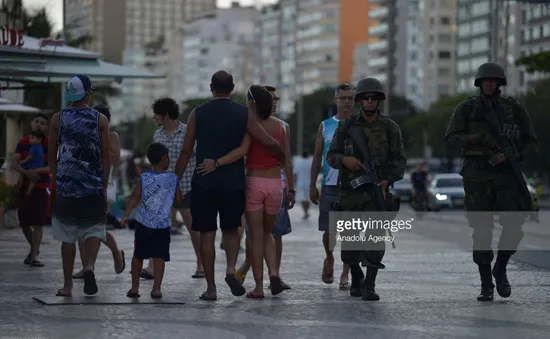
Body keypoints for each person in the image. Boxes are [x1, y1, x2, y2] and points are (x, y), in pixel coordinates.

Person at [175, 70, 285, 301]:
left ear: (210, 87)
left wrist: (174, 179)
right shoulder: (244, 114)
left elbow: (186, 151)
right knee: (230, 229)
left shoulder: (197, 113)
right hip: (233, 183)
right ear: (232, 88)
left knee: (206, 233)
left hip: (203, 181)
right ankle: (230, 267)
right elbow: (266, 140)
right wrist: (280, 155)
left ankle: (211, 288)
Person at [444, 62, 538, 302]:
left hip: (507, 175)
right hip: (477, 175)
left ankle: (501, 269)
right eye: (485, 80)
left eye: (493, 80)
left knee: (514, 227)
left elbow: (531, 142)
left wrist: (512, 156)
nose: (489, 84)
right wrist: (477, 140)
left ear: (499, 84)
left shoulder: (513, 110)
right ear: (479, 83)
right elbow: (452, 139)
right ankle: (486, 283)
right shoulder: (467, 109)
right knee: (482, 230)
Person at [327, 77, 406, 301]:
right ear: (360, 100)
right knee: (351, 240)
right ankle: (356, 275)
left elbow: (399, 160)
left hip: (377, 192)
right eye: (366, 98)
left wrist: (387, 179)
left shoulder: (390, 127)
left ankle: (370, 284)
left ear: (379, 100)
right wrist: (346, 161)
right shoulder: (347, 125)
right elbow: (331, 156)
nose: (370, 102)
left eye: (374, 98)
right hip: (351, 192)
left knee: (375, 238)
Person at [49, 74, 111, 297]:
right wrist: (103, 183)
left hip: (66, 184)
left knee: (67, 236)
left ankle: (67, 286)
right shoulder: (100, 120)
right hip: (92, 184)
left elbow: (51, 153)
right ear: (88, 93)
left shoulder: (58, 118)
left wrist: (56, 179)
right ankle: (89, 266)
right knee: (92, 228)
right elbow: (106, 154)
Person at [234, 85, 294, 290]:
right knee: (269, 234)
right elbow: (286, 160)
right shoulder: (281, 127)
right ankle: (274, 273)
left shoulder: (249, 125)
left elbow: (242, 151)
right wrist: (291, 188)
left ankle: (259, 287)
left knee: (255, 235)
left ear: (252, 103)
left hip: (254, 183)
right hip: (276, 185)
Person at [139, 97, 201, 280]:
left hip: (186, 186)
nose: (154, 118)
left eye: (156, 114)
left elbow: (197, 157)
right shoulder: (158, 135)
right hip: (161, 188)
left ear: (165, 115)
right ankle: (151, 267)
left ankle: (201, 264)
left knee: (193, 228)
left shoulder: (187, 132)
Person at [122, 142, 181, 299]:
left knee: (138, 255)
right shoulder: (172, 179)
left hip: (144, 223)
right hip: (163, 224)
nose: (169, 160)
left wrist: (126, 215)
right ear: (163, 158)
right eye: (168, 157)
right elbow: (179, 201)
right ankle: (156, 289)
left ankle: (134, 288)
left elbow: (134, 198)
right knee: (159, 256)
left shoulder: (144, 177)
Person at [309, 83, 354, 289]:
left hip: (352, 186)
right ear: (336, 100)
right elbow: (318, 156)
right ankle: (329, 257)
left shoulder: (359, 125)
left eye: (350, 98)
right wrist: (312, 185)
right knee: (329, 230)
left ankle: (346, 272)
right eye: (342, 98)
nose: (346, 102)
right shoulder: (325, 125)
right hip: (329, 184)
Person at [72, 105, 125, 279]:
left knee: (93, 227)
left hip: (104, 186)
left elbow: (116, 160)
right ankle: (89, 265)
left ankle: (92, 265)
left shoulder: (112, 136)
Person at [11, 113, 50, 267]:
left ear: (47, 127)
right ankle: (35, 249)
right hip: (24, 186)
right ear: (32, 124)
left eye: (43, 123)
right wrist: (27, 173)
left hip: (41, 187)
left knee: (39, 222)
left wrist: (37, 171)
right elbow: (14, 163)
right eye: (37, 122)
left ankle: (33, 256)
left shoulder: (50, 143)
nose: (39, 125)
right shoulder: (24, 142)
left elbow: (53, 166)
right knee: (24, 222)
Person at [20, 130, 46, 196]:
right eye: (30, 138)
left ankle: (20, 183)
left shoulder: (33, 148)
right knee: (33, 181)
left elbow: (30, 157)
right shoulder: (40, 147)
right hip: (39, 165)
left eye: (32, 138)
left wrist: (23, 161)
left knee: (21, 170)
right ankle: (29, 191)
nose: (30, 140)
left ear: (39, 140)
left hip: (33, 165)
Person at [294, 151, 312, 219]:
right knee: (308, 199)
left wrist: (294, 183)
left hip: (300, 183)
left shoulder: (298, 163)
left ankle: (305, 212)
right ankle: (307, 211)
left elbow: (295, 173)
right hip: (309, 183)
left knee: (303, 199)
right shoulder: (310, 162)